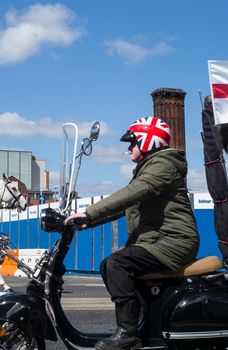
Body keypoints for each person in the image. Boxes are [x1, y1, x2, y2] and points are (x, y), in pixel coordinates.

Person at [65, 116, 199, 350]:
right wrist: (87, 222)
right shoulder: (152, 167)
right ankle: (140, 323)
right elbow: (130, 204)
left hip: (173, 241)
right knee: (112, 265)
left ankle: (128, 335)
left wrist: (89, 213)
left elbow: (133, 193)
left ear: (148, 141)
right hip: (159, 240)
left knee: (116, 265)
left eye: (132, 142)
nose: (129, 148)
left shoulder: (162, 166)